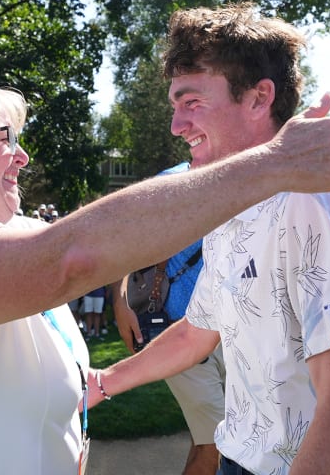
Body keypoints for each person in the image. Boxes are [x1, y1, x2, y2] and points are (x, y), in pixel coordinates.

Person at [0, 55, 330, 473]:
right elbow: (76, 255)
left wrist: (102, 384)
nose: (22, 155)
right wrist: (275, 163)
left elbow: (120, 236)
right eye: (4, 138)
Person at [87, 5, 330, 475]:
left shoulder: (316, 198)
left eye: (192, 103)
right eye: (175, 105)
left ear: (259, 98)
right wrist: (103, 382)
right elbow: (198, 330)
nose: (177, 125)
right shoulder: (231, 204)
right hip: (239, 457)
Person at [112, 162, 222, 474]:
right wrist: (121, 303)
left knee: (211, 440)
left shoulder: (248, 176)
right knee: (215, 446)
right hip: (181, 332)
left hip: (231, 334)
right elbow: (123, 240)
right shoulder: (172, 181)